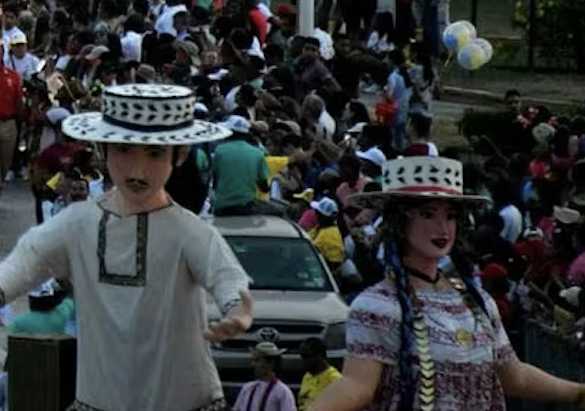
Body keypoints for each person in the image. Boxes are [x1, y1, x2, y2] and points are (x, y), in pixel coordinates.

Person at [0, 85, 255, 411]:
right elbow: (32, 255)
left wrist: (236, 309)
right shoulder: (79, 222)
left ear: (180, 154)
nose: (137, 170)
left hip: (184, 400)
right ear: (103, 150)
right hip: (100, 399)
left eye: (155, 153)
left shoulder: (189, 231)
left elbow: (225, 275)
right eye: (123, 150)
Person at [303, 155, 585, 411]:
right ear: (399, 222)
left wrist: (577, 392)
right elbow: (356, 387)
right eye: (427, 214)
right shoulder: (377, 306)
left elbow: (512, 374)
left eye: (450, 216)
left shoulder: (477, 301)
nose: (442, 227)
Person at [234, 343, 296, 411]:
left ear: (271, 363)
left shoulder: (282, 392)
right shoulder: (247, 388)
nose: (253, 364)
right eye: (253, 360)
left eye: (257, 360)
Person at [296, 336, 340, 410]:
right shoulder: (307, 376)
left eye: (307, 356)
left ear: (319, 356)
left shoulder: (335, 380)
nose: (304, 361)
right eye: (302, 357)